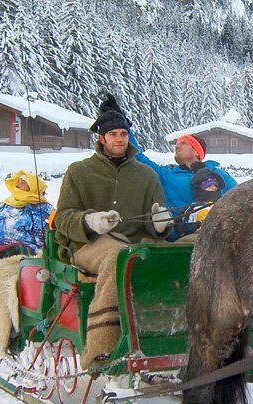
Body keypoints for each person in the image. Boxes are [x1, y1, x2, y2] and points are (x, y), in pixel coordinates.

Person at [52, 93, 170, 368]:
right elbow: (63, 218)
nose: (120, 139)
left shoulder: (146, 175)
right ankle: (101, 347)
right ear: (101, 139)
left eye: (124, 134)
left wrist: (161, 223)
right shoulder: (79, 172)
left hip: (138, 242)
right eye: (113, 134)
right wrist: (90, 222)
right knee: (120, 257)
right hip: (88, 246)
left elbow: (156, 221)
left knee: (177, 255)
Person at [0, 170, 53, 260]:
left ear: (33, 187)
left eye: (23, 183)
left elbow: (59, 222)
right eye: (18, 182)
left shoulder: (46, 208)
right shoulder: (5, 208)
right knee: (21, 249)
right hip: (7, 252)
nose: (17, 185)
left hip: (40, 254)